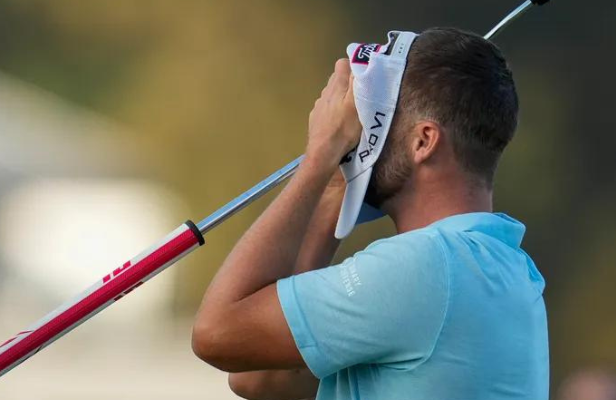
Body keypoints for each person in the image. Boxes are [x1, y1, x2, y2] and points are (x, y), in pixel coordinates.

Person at [191, 27, 549, 400]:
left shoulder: (426, 265)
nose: (358, 134)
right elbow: (262, 379)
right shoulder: (508, 269)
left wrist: (318, 158)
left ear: (423, 141)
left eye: (378, 118)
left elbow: (217, 332)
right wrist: (334, 188)